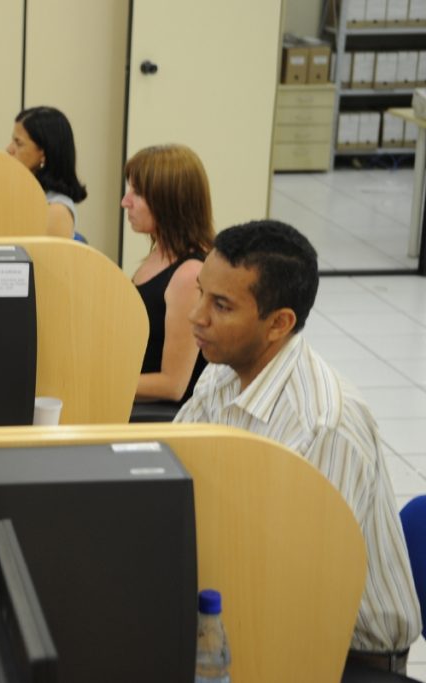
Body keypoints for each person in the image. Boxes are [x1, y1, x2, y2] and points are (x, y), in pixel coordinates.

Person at [175, 219, 421, 674]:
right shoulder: (220, 371)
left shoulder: (324, 426)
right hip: (246, 601)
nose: (197, 316)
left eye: (221, 305)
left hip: (343, 653)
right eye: (201, 293)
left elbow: (302, 596)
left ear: (279, 324)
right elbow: (173, 468)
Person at [123, 144, 213, 410]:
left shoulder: (189, 275)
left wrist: (99, 380)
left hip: (159, 416)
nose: (125, 202)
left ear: (168, 202)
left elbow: (173, 385)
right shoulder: (160, 254)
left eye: (136, 193)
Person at [6, 106, 88, 241]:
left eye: (18, 143)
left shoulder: (57, 211)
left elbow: (49, 261)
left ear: (44, 153)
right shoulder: (23, 193)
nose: (9, 149)